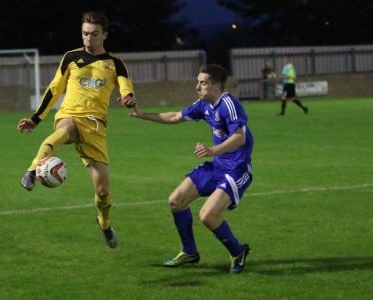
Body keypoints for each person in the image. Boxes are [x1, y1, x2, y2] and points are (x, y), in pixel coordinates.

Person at [17, 11, 137, 248]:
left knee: (102, 192)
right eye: (85, 33)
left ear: (104, 35)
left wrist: (128, 98)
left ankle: (104, 225)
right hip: (70, 115)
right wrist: (36, 118)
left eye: (93, 34)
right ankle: (32, 170)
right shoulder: (71, 58)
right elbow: (54, 89)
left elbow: (126, 88)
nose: (88, 38)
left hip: (95, 128)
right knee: (65, 129)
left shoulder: (115, 64)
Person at [123, 64, 254, 274]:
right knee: (176, 201)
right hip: (217, 166)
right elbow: (175, 117)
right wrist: (142, 114)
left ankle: (238, 252)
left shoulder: (229, 104)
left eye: (202, 83)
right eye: (198, 82)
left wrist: (212, 150)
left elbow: (240, 137)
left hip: (237, 170)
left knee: (207, 216)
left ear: (216, 87)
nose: (197, 87)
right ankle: (190, 252)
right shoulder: (204, 104)